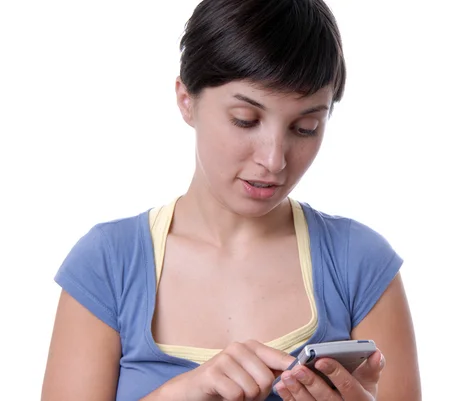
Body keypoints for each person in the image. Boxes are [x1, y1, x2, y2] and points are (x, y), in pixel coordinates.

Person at [41, 0, 421, 400]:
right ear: (187, 100)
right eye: (245, 120)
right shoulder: (107, 265)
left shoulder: (360, 264)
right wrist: (180, 393)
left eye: (305, 127)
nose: (274, 160)